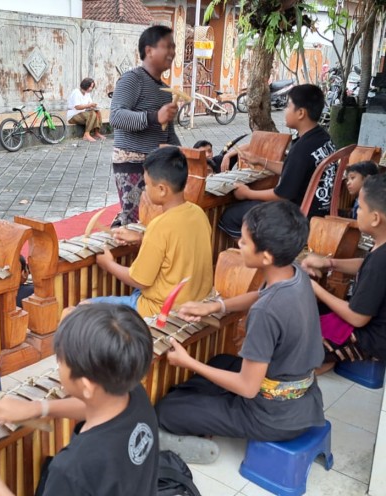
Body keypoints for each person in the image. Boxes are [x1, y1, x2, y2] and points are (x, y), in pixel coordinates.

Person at [155, 201, 325, 463]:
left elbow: (247, 388)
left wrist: (189, 362)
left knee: (168, 409)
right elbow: (261, 294)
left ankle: (196, 433)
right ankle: (204, 413)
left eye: (244, 242)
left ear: (266, 256)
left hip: (273, 417)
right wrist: (215, 306)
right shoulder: (295, 274)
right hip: (304, 402)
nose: (238, 245)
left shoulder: (266, 313)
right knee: (220, 362)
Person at [0, 304, 159, 496]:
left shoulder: (71, 469)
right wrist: (39, 408)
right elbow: (92, 405)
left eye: (60, 360)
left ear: (86, 386)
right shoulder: (133, 393)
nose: (58, 365)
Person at [301, 174, 386, 368]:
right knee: (309, 312)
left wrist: (313, 288)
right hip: (379, 324)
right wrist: (331, 263)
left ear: (376, 218)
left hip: (372, 339)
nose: (357, 212)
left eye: (360, 207)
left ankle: (326, 361)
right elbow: (365, 264)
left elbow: (357, 318)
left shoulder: (383, 260)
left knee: (296, 343)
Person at [89, 147, 213, 317]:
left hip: (160, 310)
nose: (144, 189)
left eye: (146, 184)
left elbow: (138, 280)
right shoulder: (198, 214)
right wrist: (142, 238)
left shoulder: (160, 226)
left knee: (83, 308)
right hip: (191, 301)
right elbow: (175, 248)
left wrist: (108, 264)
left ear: (162, 189)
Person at [218, 84, 336, 238]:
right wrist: (260, 161)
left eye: (288, 106)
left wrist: (248, 193)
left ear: (300, 113)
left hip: (299, 217)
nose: (285, 111)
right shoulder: (322, 137)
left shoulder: (302, 148)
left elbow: (282, 195)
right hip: (319, 209)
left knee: (230, 217)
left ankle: (260, 256)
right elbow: (295, 171)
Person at [109, 25, 181, 227]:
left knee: (154, 219)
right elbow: (115, 116)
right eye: (167, 46)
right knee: (134, 220)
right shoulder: (132, 79)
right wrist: (153, 117)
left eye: (173, 47)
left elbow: (168, 133)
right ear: (149, 51)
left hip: (156, 165)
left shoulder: (166, 89)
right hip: (131, 161)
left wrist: (184, 156)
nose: (172, 52)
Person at [67, 78, 105, 142]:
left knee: (97, 112)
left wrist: (93, 107)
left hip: (83, 114)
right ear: (85, 85)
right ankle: (86, 134)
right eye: (90, 86)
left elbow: (89, 105)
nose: (91, 88)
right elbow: (77, 107)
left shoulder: (87, 94)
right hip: (73, 116)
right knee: (91, 114)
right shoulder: (76, 92)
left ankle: (96, 133)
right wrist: (89, 105)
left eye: (92, 87)